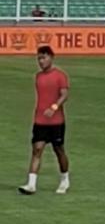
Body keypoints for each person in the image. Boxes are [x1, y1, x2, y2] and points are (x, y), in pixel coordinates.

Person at [18, 46, 71, 195]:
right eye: (39, 59)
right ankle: (31, 184)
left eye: (43, 58)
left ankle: (64, 179)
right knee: (37, 149)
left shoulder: (60, 75)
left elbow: (64, 95)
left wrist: (54, 107)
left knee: (59, 150)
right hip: (40, 120)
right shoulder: (38, 77)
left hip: (56, 121)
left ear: (51, 58)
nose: (41, 61)